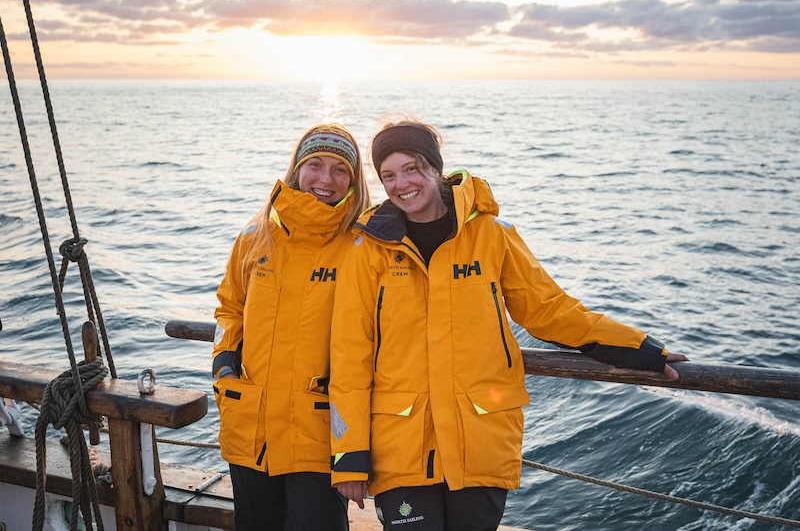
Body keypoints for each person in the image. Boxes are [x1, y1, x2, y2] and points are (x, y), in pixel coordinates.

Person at [328, 120, 688, 530]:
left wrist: (638, 348)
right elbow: (349, 355)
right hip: (400, 445)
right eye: (388, 175)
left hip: (478, 439)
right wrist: (349, 454)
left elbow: (549, 309)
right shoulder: (367, 248)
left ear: (435, 168)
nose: (401, 184)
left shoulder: (492, 235)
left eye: (411, 168)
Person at [212, 123, 372, 530]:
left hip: (320, 433)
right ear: (296, 169)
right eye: (315, 164)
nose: (325, 179)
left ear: (354, 181)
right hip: (252, 425)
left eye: (340, 170)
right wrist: (224, 362)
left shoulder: (362, 244)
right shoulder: (254, 237)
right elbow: (229, 307)